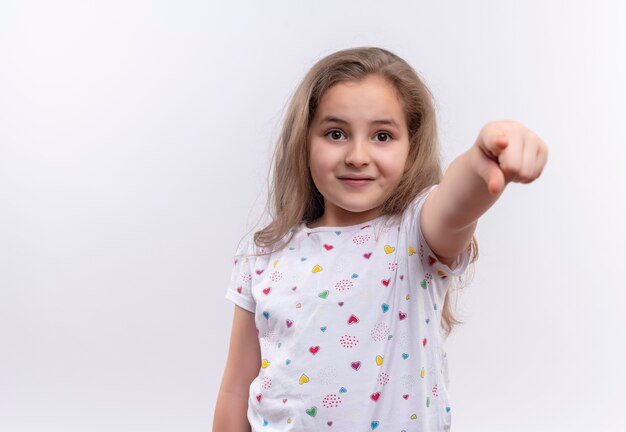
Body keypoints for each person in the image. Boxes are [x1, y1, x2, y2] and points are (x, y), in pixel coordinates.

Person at [212, 47, 548, 432]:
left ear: (412, 147)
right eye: (335, 133)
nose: (357, 155)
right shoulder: (263, 253)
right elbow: (236, 390)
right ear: (305, 141)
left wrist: (483, 156)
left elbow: (457, 200)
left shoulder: (414, 235)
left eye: (382, 136)